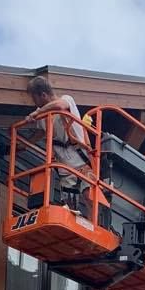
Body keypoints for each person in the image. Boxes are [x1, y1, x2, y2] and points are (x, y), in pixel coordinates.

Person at [25, 75, 93, 218]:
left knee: (90, 197)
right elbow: (39, 134)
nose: (34, 103)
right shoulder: (43, 118)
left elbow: (60, 105)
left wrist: (37, 112)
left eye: (34, 98)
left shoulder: (67, 100)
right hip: (65, 170)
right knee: (70, 208)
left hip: (82, 163)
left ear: (43, 95)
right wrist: (21, 145)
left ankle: (100, 227)